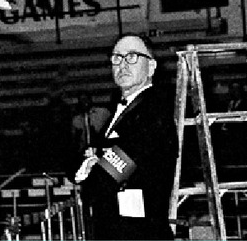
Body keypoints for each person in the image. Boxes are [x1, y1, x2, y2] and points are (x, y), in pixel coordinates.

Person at [74, 34, 178, 240]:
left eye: (132, 56)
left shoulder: (153, 111)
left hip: (140, 233)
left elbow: (107, 177)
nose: (123, 64)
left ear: (151, 67)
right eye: (117, 58)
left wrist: (91, 171)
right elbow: (83, 158)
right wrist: (89, 166)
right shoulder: (116, 112)